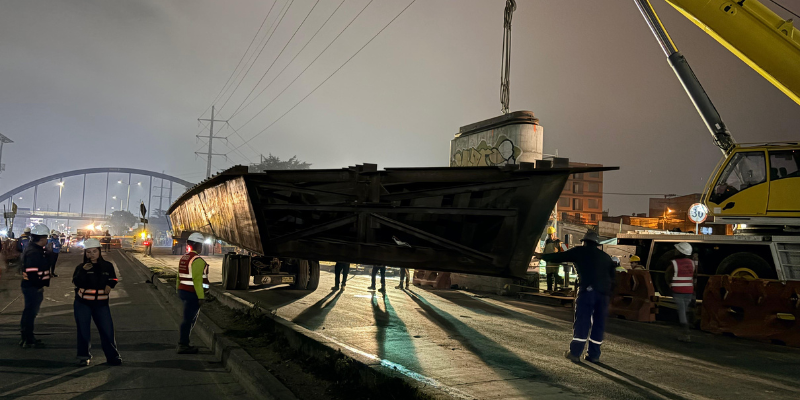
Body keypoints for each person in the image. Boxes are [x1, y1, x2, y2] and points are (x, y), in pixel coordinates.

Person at [535, 230, 616, 363]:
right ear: (597, 243)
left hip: (588, 291)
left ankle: (575, 353)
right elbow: (613, 278)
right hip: (604, 294)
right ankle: (594, 355)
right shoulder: (606, 257)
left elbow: (559, 257)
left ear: (584, 242)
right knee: (599, 323)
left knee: (583, 321)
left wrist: (541, 256)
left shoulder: (580, 251)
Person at [72, 238, 121, 366]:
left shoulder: (107, 266)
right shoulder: (80, 267)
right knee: (83, 330)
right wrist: (83, 271)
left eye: (94, 251)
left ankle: (112, 357)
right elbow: (76, 281)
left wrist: (110, 284)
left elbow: (114, 278)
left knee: (107, 330)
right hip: (83, 303)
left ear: (99, 251)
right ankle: (84, 357)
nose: (91, 254)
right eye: (88, 252)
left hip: (101, 304)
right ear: (85, 253)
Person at [176, 232, 210, 354]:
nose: (202, 247)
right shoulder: (198, 261)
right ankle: (183, 344)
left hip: (183, 291)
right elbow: (198, 280)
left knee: (188, 318)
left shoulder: (184, 258)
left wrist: (178, 289)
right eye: (201, 245)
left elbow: (178, 276)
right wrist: (202, 296)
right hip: (192, 294)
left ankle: (184, 342)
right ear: (197, 245)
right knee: (188, 319)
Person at [19, 224, 52, 348]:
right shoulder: (34, 252)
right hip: (32, 287)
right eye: (46, 238)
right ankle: (28, 339)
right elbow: (32, 272)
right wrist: (38, 286)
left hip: (31, 286)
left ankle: (26, 337)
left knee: (29, 312)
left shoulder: (34, 249)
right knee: (30, 313)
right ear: (42, 238)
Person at [665, 242, 697, 343]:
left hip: (678, 291)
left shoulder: (674, 263)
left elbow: (668, 275)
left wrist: (670, 284)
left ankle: (686, 333)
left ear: (680, 251)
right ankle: (687, 328)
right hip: (689, 291)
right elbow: (694, 276)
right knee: (685, 310)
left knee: (682, 312)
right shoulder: (692, 263)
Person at [543, 227, 563, 292]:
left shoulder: (558, 242)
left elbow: (565, 249)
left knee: (555, 276)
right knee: (549, 277)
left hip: (555, 263)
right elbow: (545, 251)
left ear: (554, 233)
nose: (550, 236)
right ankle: (549, 289)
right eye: (549, 235)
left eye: (551, 234)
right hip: (548, 263)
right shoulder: (547, 242)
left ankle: (556, 289)